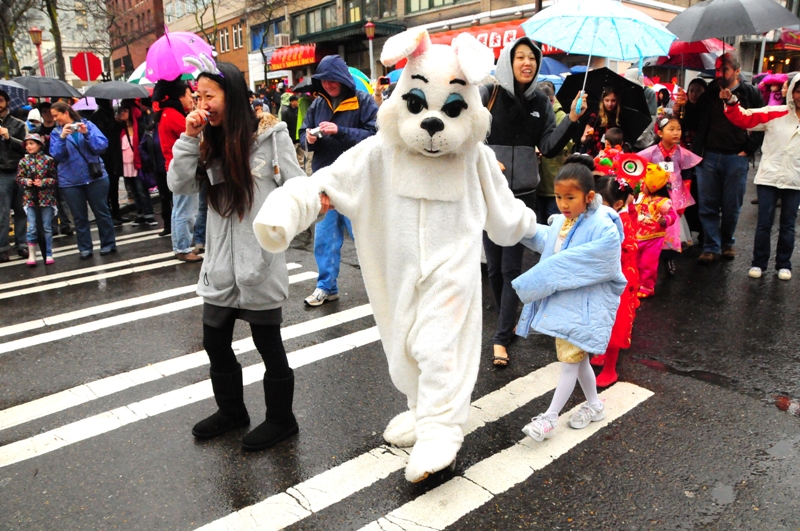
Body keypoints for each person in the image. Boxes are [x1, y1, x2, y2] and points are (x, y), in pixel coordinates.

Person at [167, 60, 306, 450]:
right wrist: (188, 138)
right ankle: (232, 412)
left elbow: (298, 189)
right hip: (219, 265)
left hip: (258, 262)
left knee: (269, 346)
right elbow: (179, 184)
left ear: (233, 95)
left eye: (210, 95)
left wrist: (277, 233)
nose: (203, 103)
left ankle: (282, 419)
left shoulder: (271, 136)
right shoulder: (204, 139)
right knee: (215, 342)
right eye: (198, 96)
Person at [479, 37, 583, 366]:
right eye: (520, 57)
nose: (527, 63)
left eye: (532, 59)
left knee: (512, 269)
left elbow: (550, 146)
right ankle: (507, 320)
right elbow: (470, 137)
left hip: (522, 197)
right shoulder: (488, 96)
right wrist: (486, 159)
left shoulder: (540, 101)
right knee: (493, 268)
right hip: (490, 195)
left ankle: (499, 337)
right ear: (508, 62)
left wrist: (572, 119)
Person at [512, 161, 626, 441]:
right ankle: (595, 406)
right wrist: (518, 228)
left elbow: (571, 261)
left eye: (570, 197)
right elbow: (548, 240)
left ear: (589, 197)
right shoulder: (566, 220)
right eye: (559, 196)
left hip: (585, 308)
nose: (562, 204)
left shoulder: (603, 228)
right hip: (571, 306)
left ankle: (549, 418)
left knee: (569, 363)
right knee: (578, 359)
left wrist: (535, 280)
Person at [299, 54, 379, 306]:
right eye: (324, 81)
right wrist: (308, 139)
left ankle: (382, 287)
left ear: (343, 79)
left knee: (364, 236)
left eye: (333, 80)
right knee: (324, 237)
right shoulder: (317, 104)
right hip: (325, 180)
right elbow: (302, 135)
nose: (328, 85)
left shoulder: (363, 101)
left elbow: (376, 136)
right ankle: (326, 286)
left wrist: (340, 130)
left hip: (356, 180)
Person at [679, 51, 763, 263]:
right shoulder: (710, 93)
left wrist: (748, 150)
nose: (719, 73)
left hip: (736, 157)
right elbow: (693, 123)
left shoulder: (750, 93)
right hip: (709, 157)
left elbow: (762, 123)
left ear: (736, 70)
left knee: (731, 206)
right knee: (707, 205)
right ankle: (710, 245)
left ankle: (727, 242)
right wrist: (685, 105)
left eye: (723, 69)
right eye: (717, 69)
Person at [722, 72, 800, 281]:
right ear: (792, 91)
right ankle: (759, 263)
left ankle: (784, 264)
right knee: (764, 222)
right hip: (769, 176)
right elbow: (745, 118)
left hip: (795, 178)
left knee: (788, 224)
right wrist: (731, 101)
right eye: (798, 90)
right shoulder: (776, 112)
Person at [49, 101, 117, 260]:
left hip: (95, 177)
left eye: (56, 115)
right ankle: (85, 248)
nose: (55, 119)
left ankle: (108, 243)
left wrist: (87, 134)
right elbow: (57, 156)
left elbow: (101, 146)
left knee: (102, 212)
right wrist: (62, 137)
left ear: (66, 113)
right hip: (70, 180)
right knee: (79, 217)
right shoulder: (56, 133)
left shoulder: (88, 125)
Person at [638, 115, 703, 275]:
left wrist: (682, 202)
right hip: (654, 197)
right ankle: (649, 259)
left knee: (670, 229)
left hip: (674, 196)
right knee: (650, 226)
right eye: (671, 129)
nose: (676, 133)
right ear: (660, 133)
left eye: (678, 129)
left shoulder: (682, 153)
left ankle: (668, 259)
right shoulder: (651, 153)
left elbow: (687, 178)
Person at [591, 174, 639, 387]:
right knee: (598, 317)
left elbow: (629, 248)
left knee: (614, 321)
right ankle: (600, 352)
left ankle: (610, 368)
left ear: (618, 204)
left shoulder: (623, 221)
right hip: (600, 275)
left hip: (618, 279)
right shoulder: (600, 217)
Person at [155, 77, 202, 262]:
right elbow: (193, 133)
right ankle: (182, 248)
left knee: (179, 209)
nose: (192, 98)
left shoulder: (166, 113)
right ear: (180, 96)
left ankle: (180, 246)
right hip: (182, 169)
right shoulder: (173, 115)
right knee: (185, 210)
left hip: (175, 168)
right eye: (190, 94)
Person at [634, 163, 677, 298]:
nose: (641, 185)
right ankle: (635, 284)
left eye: (644, 183)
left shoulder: (662, 202)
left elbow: (672, 216)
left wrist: (665, 221)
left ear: (654, 185)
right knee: (634, 261)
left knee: (648, 263)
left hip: (653, 239)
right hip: (636, 236)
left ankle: (647, 287)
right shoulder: (640, 197)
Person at [16, 133, 57, 265]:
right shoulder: (23, 161)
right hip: (30, 198)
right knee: (32, 227)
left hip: (46, 198)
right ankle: (32, 255)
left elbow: (54, 178)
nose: (29, 146)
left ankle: (49, 253)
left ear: (39, 145)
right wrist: (26, 181)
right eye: (27, 144)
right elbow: (18, 178)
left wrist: (43, 182)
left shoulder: (48, 160)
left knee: (46, 226)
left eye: (31, 143)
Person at [536, 80, 574, 223]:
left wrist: (547, 147)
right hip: (538, 179)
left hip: (554, 178)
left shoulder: (561, 116)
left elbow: (568, 144)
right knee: (539, 219)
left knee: (553, 219)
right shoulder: (537, 114)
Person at [0, 89, 29, 262]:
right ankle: (3, 248)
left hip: (19, 171)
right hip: (1, 173)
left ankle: (22, 245)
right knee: (2, 214)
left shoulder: (18, 124)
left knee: (21, 211)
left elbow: (28, 146)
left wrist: (9, 137)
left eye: (1, 100)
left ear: (7, 102)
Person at [117, 103, 157, 227]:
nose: (122, 113)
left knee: (141, 189)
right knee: (133, 190)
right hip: (126, 164)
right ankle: (140, 214)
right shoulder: (120, 129)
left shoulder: (140, 128)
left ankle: (148, 214)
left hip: (138, 163)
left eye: (124, 111)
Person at [581, 86, 622, 157]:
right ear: (602, 100)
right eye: (607, 100)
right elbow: (583, 140)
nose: (610, 104)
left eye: (613, 100)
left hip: (614, 154)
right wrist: (588, 136)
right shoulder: (595, 116)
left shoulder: (620, 117)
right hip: (594, 154)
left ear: (617, 101)